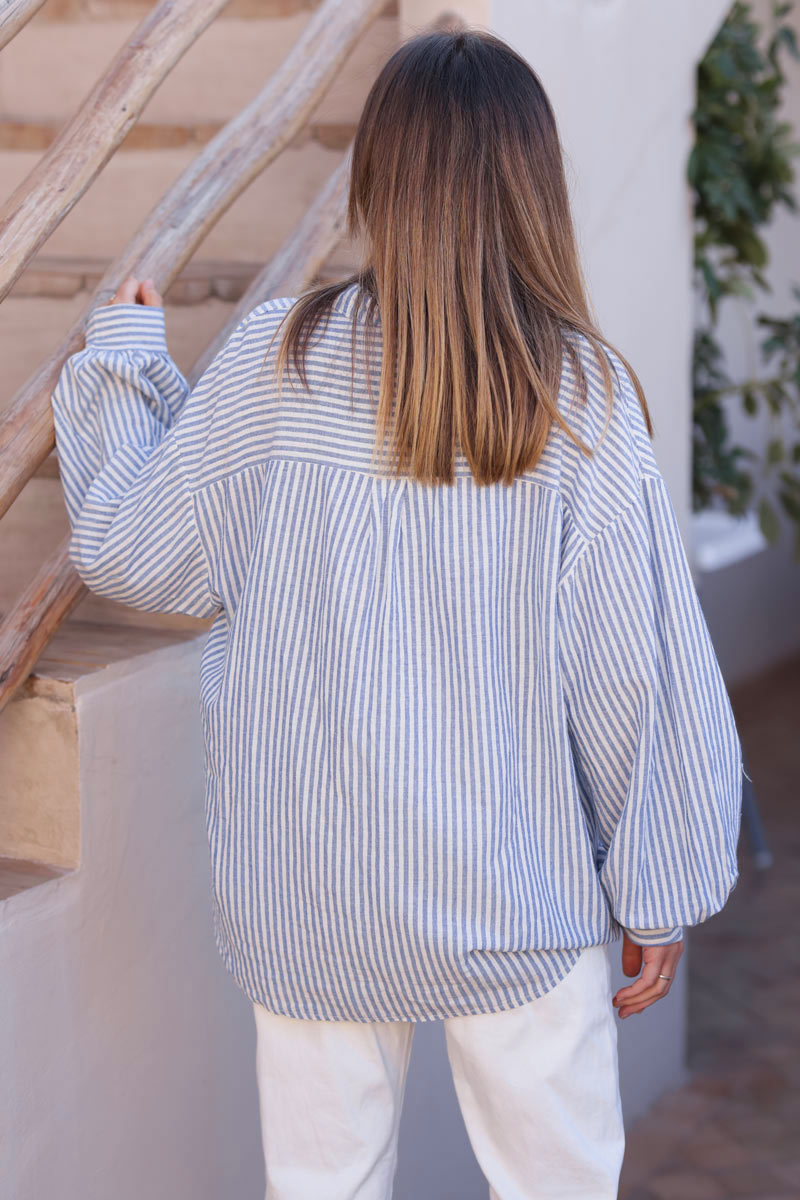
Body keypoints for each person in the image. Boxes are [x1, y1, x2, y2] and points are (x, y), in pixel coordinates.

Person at [51, 27, 743, 1200]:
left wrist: (122, 362)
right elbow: (639, 671)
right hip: (517, 902)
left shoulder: (281, 361)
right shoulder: (580, 398)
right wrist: (657, 887)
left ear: (375, 178)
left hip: (314, 901)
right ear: (532, 186)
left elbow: (140, 548)